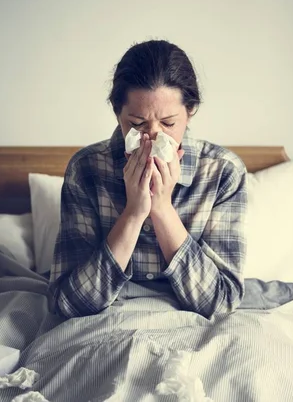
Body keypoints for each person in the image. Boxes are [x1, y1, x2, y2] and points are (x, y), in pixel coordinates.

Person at [48, 40, 247, 319]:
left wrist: (162, 209)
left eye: (168, 123)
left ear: (190, 112)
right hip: (106, 326)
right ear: (118, 114)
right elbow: (67, 303)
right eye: (137, 124)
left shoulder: (222, 173)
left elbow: (221, 302)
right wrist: (133, 213)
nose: (153, 138)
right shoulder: (87, 170)